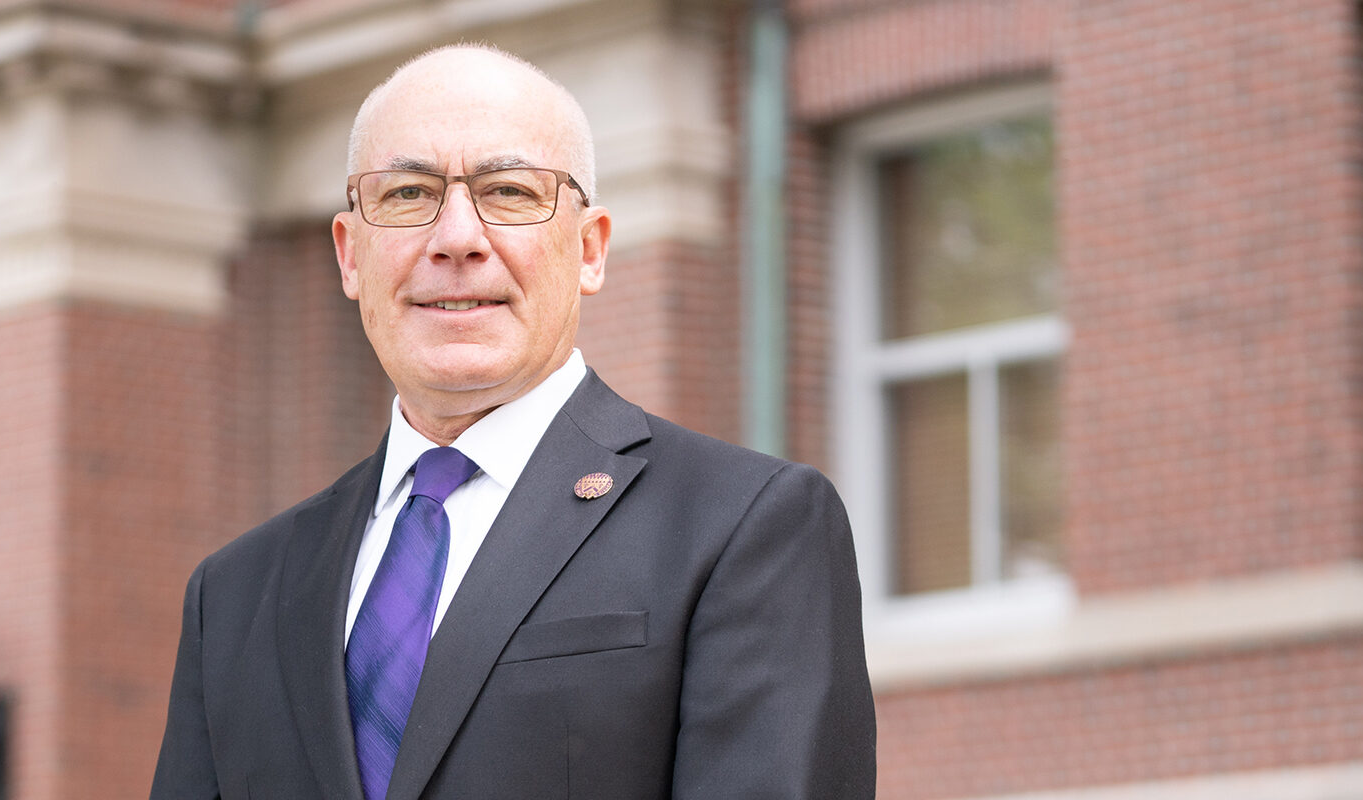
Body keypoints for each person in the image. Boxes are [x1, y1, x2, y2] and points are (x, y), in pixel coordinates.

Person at [150, 44, 874, 800]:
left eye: (508, 192)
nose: (457, 237)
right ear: (350, 255)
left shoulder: (743, 528)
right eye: (406, 194)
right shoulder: (232, 596)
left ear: (589, 249)